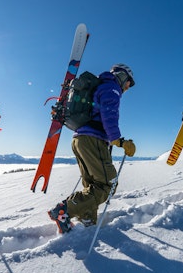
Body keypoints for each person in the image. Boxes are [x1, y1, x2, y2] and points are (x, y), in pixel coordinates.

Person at [48, 63, 136, 233]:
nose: (127, 87)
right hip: (93, 140)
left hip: (79, 139)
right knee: (107, 185)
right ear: (123, 77)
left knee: (92, 186)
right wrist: (118, 140)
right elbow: (109, 116)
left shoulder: (101, 86)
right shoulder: (112, 88)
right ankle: (64, 210)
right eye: (129, 83)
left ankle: (87, 221)